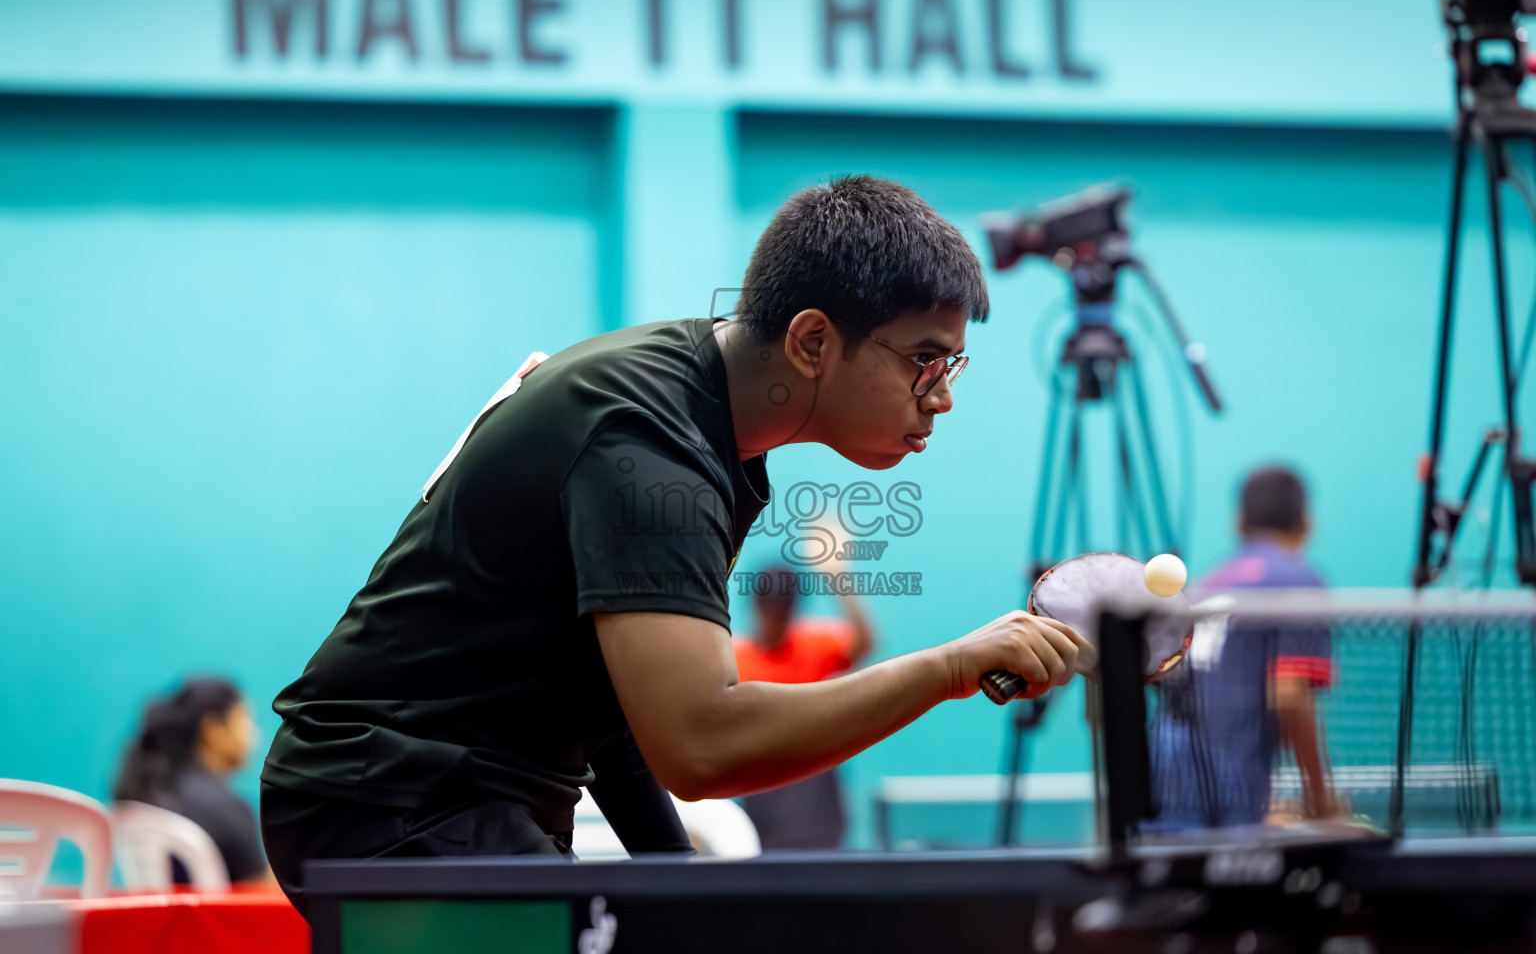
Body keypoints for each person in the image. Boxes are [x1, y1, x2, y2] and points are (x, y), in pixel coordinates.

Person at [260, 175, 1088, 916]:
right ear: (811, 342)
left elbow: (619, 702)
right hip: (392, 803)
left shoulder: (706, 423)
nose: (941, 397)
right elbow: (702, 743)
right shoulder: (646, 443)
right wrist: (950, 669)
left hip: (453, 801)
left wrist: (678, 881)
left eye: (952, 364)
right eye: (924, 360)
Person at [1146, 466, 1338, 830]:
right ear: (1306, 524)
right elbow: (1290, 693)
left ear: (1239, 523)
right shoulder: (1300, 582)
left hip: (1157, 770)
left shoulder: (1208, 582)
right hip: (1228, 783)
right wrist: (1318, 797)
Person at [733, 557, 875, 849]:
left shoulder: (813, 646)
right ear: (757, 607)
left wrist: (837, 575)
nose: (777, 622)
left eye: (784, 612)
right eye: (772, 612)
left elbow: (864, 643)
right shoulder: (737, 661)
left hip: (819, 799)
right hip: (765, 797)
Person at [115, 678, 273, 885]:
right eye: (244, 720)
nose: (255, 735)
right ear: (214, 729)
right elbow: (260, 891)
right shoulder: (225, 808)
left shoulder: (152, 793)